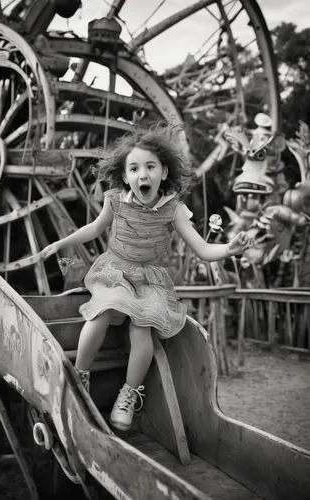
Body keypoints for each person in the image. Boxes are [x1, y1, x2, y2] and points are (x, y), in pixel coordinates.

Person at [41, 124, 251, 431]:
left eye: (150, 167)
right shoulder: (115, 201)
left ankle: (128, 394)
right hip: (115, 271)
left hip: (148, 281)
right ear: (126, 176)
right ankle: (80, 376)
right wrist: (61, 244)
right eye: (135, 168)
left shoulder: (174, 210)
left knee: (143, 329)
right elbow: (95, 229)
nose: (143, 174)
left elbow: (202, 248)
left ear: (163, 173)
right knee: (103, 311)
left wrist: (230, 248)